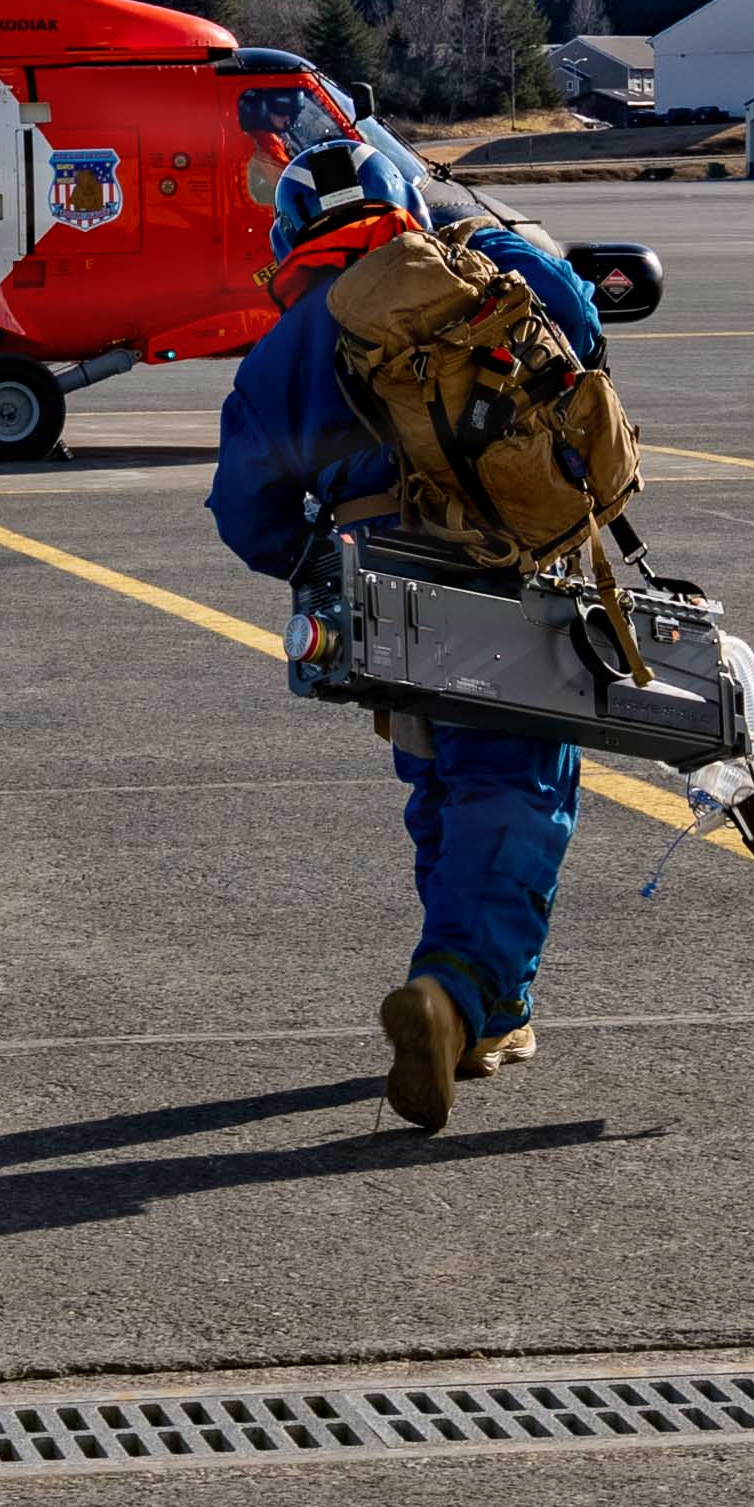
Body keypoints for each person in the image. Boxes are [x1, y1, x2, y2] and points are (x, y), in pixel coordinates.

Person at [205, 140, 607, 1132]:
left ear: (294, 232)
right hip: (508, 577)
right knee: (514, 789)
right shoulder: (485, 265)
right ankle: (459, 989)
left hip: (385, 598)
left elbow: (244, 514)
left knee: (441, 784)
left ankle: (481, 1010)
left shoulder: (286, 346)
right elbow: (587, 336)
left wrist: (322, 556)